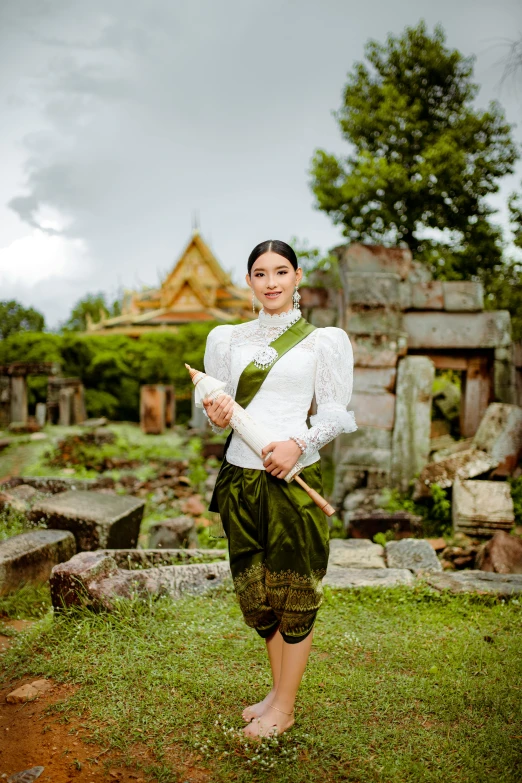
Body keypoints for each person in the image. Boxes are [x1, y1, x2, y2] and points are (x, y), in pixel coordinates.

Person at [202, 239, 356, 739]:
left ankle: (284, 709)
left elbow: (334, 412)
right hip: (239, 480)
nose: (271, 282)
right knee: (257, 595)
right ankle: (276, 693)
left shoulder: (324, 340)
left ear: (297, 277)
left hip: (292, 481)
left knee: (293, 592)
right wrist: (215, 413)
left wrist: (298, 442)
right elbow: (213, 418)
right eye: (260, 273)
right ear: (248, 281)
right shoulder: (226, 338)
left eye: (281, 271)